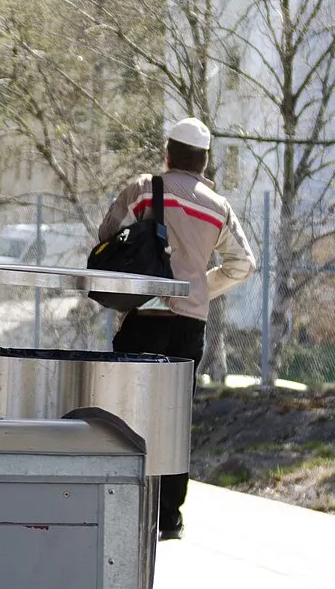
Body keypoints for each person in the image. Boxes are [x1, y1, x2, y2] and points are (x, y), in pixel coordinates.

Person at [96, 117, 257, 541]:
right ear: (204, 161)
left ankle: (124, 502)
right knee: (174, 415)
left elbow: (107, 233)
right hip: (190, 325)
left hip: (145, 316)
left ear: (168, 153)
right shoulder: (219, 207)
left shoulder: (146, 188)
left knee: (124, 409)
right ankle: (169, 515)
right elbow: (245, 264)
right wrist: (200, 287)